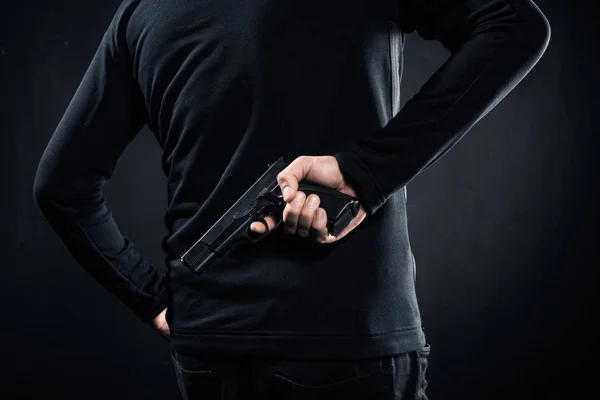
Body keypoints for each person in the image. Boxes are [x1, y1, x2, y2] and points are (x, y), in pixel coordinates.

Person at [32, 0, 550, 398]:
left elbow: (61, 185)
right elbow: (514, 24)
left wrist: (150, 298)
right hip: (349, 340)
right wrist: (364, 172)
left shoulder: (140, 12)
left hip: (207, 344)